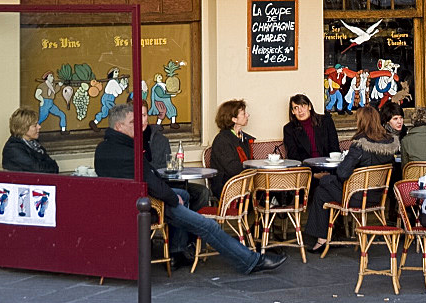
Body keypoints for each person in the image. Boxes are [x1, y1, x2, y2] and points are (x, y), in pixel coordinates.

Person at [94, 103, 285, 274]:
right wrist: (170, 197)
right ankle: (250, 261)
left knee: (184, 194)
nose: (137, 125)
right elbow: (153, 184)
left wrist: (171, 195)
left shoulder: (103, 149)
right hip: (149, 205)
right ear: (119, 127)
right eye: (131, 122)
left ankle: (178, 249)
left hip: (129, 204)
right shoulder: (129, 152)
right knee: (207, 225)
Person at [305, 106, 399, 252]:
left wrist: (326, 177)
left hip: (356, 197)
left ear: (361, 122)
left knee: (322, 186)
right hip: (377, 196)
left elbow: (342, 173)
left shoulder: (359, 144)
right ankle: (326, 236)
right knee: (323, 190)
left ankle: (323, 238)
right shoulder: (389, 143)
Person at [142, 102, 209, 211]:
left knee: (202, 192)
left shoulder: (161, 140)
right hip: (147, 188)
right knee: (182, 195)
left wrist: (173, 169)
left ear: (147, 117)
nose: (140, 120)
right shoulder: (127, 140)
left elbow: (167, 168)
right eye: (136, 116)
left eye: (144, 115)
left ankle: (190, 224)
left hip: (164, 183)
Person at [208, 99, 254, 199]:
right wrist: (254, 169)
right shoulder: (222, 140)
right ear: (234, 119)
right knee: (264, 189)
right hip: (227, 185)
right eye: (244, 113)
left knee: (270, 186)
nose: (247, 115)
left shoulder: (243, 137)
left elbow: (249, 161)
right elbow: (233, 168)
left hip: (244, 181)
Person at [282, 93, 340, 162]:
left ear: (309, 107)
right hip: (305, 169)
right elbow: (293, 156)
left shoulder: (326, 121)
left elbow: (334, 148)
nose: (300, 111)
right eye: (296, 108)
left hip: (328, 166)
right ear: (293, 112)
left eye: (303, 106)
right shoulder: (289, 129)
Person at [2, 107, 59, 173]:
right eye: (35, 125)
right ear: (23, 128)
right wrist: (49, 165)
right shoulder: (13, 148)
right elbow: (38, 169)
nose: (39, 127)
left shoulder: (34, 144)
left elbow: (55, 168)